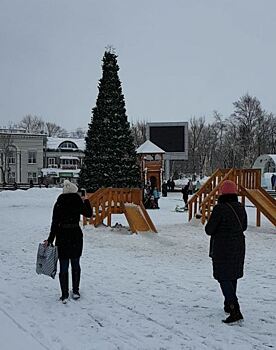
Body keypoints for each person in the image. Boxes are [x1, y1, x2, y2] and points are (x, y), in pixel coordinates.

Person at [205, 180, 247, 324]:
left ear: (222, 193)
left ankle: (234, 309)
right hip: (239, 246)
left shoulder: (219, 209)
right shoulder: (241, 207)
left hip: (222, 247)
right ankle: (228, 304)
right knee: (232, 275)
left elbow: (209, 230)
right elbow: (245, 226)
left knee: (223, 276)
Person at [44, 180, 92, 303]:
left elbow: (54, 223)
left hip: (62, 236)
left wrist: (50, 240)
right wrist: (85, 199)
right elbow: (89, 213)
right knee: (76, 263)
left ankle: (64, 294)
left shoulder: (59, 203)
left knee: (64, 265)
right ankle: (75, 291)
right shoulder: (77, 201)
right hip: (75, 235)